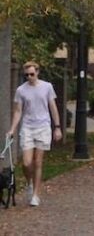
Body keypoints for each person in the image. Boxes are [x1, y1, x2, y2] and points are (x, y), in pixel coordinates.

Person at [6, 61, 62, 207]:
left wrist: (57, 127)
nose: (29, 77)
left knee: (38, 162)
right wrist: (12, 128)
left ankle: (36, 194)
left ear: (37, 72)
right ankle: (29, 183)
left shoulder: (47, 87)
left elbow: (53, 107)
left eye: (32, 74)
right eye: (26, 75)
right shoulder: (21, 90)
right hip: (28, 127)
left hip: (43, 127)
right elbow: (18, 111)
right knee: (26, 162)